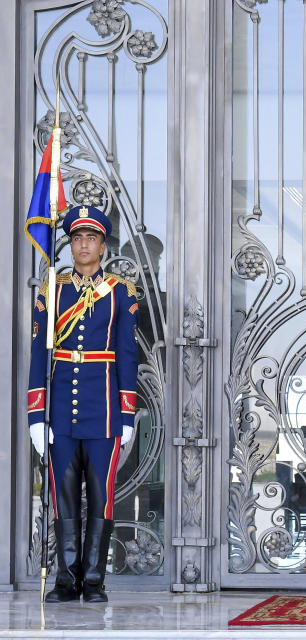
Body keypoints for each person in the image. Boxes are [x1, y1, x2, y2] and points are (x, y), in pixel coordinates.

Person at [28, 205, 138, 603]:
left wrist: (126, 412)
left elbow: (127, 354)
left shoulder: (122, 292)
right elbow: (39, 354)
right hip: (59, 409)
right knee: (62, 494)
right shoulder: (53, 289)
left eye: (91, 238)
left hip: (104, 407)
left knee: (101, 494)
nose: (83, 245)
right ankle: (65, 579)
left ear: (103, 245)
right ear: (70, 245)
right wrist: (36, 415)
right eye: (76, 238)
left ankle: (93, 580)